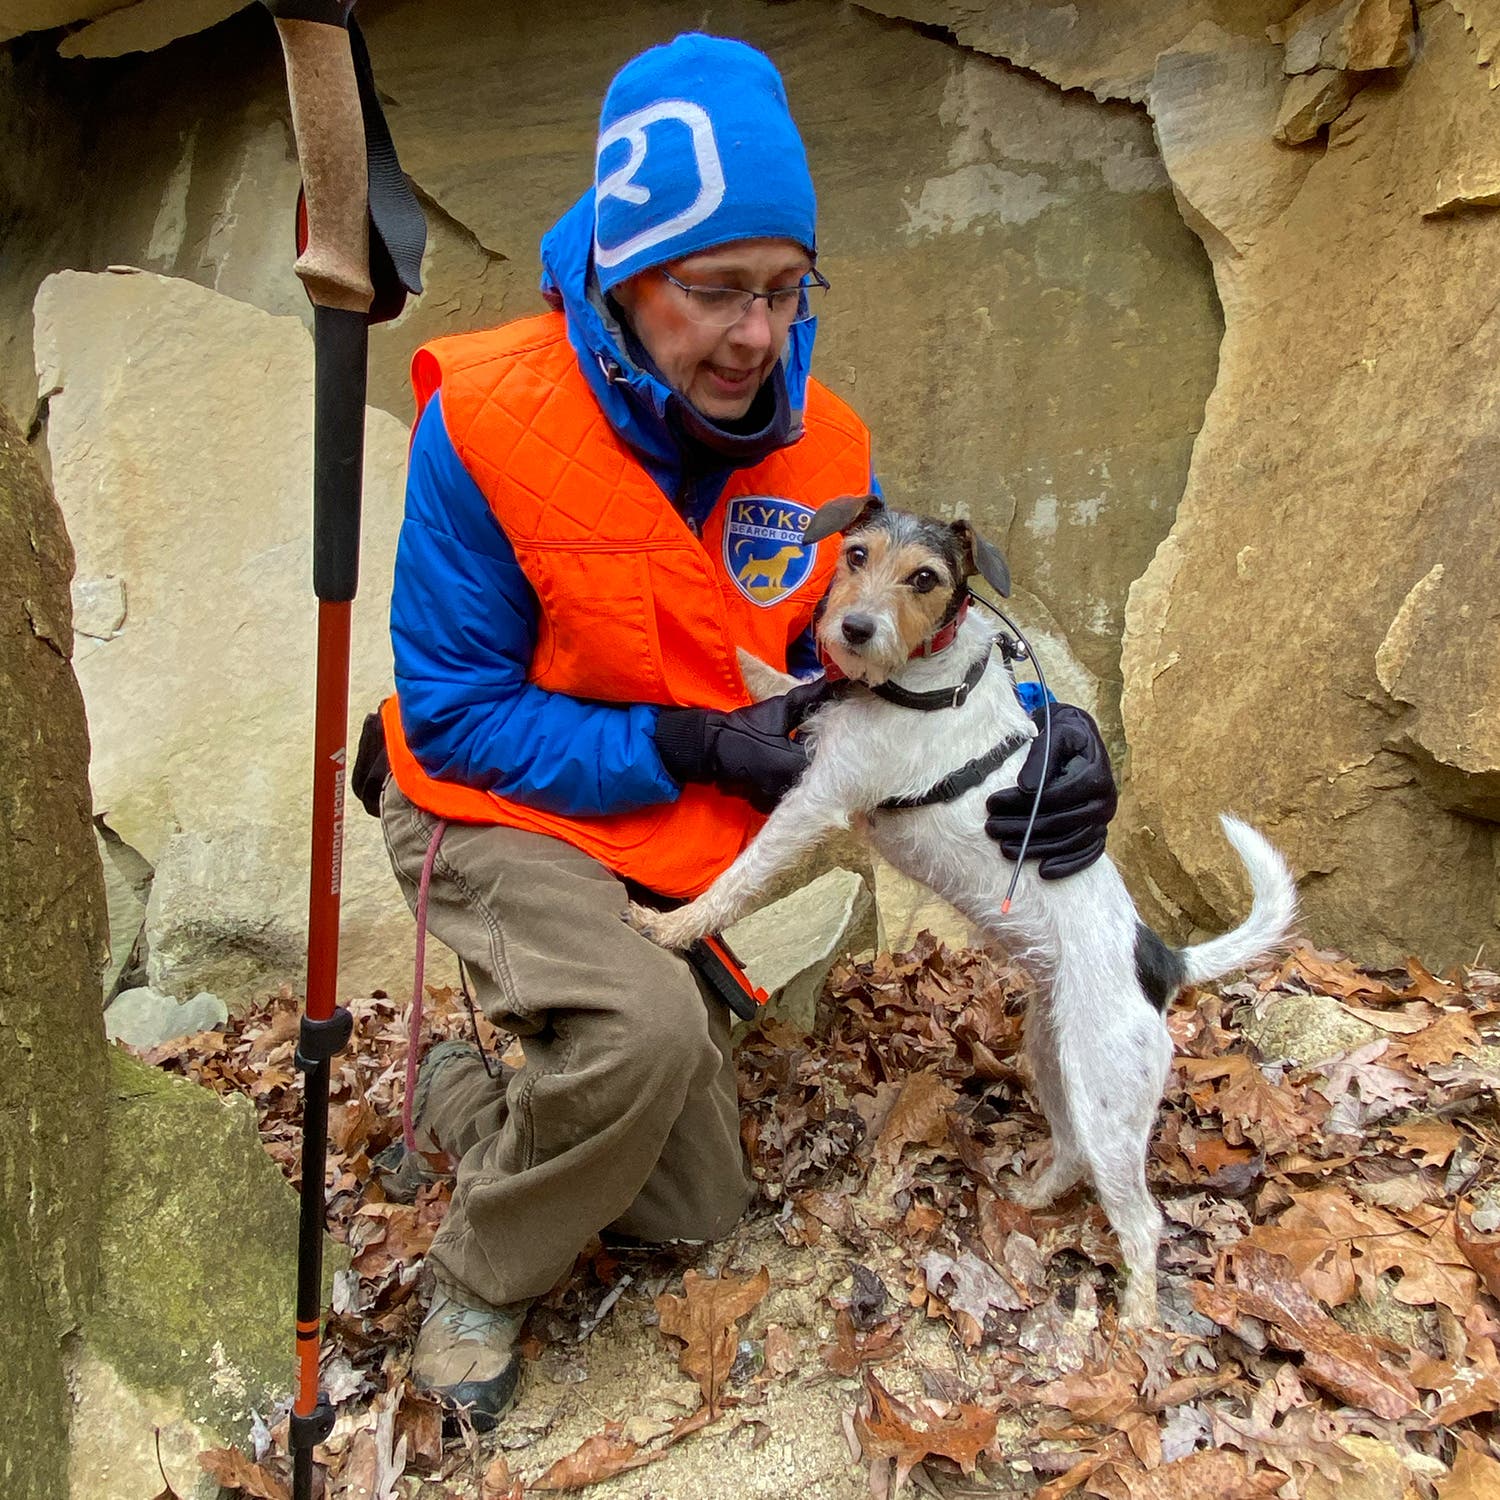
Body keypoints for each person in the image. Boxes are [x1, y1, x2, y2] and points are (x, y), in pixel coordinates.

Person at [371, 33, 1117, 1428]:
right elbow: (461, 718)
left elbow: (906, 623)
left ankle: (474, 1093)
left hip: (662, 810)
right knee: (645, 1039)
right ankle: (481, 1272)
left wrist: (1050, 721)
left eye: (783, 290)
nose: (755, 335)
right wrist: (697, 747)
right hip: (483, 798)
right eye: (715, 289)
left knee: (700, 1208)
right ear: (622, 271)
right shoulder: (486, 418)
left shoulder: (821, 449)